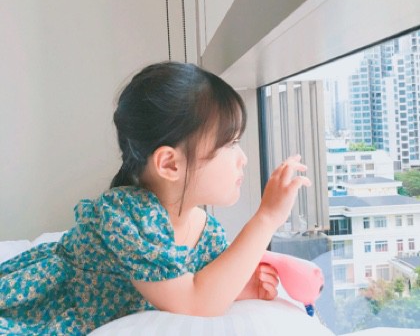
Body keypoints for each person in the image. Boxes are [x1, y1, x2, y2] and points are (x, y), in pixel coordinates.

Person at [0, 61, 311, 335]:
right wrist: (267, 218)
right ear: (170, 164)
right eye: (229, 144)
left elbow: (197, 287)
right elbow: (195, 301)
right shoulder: (128, 216)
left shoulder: (207, 231)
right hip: (47, 312)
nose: (242, 159)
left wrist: (240, 288)